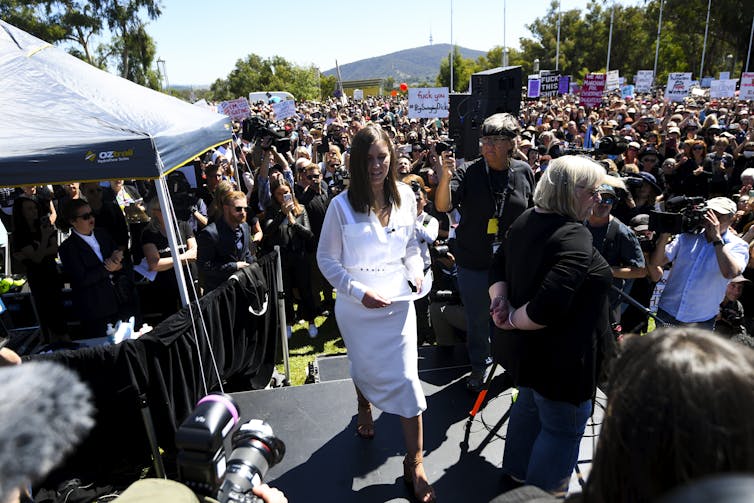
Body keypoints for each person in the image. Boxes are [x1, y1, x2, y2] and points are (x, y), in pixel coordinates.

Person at [488, 156, 622, 494]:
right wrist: (512, 320)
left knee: (530, 405)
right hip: (565, 362)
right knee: (561, 430)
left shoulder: (526, 219)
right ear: (570, 190)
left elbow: (499, 264)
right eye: (594, 191)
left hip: (529, 356)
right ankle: (539, 497)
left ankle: (517, 473)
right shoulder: (575, 237)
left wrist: (501, 306)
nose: (598, 199)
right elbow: (547, 305)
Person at [317, 124, 435, 502]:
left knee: (406, 378)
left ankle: (414, 462)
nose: (376, 165)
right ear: (354, 161)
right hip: (356, 308)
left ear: (393, 157)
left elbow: (412, 248)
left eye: (382, 157)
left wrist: (416, 272)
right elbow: (327, 259)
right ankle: (363, 405)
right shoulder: (340, 206)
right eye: (367, 159)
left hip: (398, 306)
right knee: (362, 365)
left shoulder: (406, 196)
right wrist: (356, 290)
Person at [434, 112, 535, 392]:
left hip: (512, 262)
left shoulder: (524, 171)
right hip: (474, 262)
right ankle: (480, 367)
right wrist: (446, 176)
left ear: (511, 144)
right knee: (479, 318)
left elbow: (531, 211)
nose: (487, 146)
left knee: (511, 316)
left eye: (495, 140)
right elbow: (443, 206)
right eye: (484, 140)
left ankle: (510, 364)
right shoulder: (470, 172)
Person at [650, 197, 749, 329]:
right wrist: (664, 235)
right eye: (709, 214)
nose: (712, 220)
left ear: (732, 219)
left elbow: (730, 273)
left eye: (719, 217)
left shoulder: (738, 246)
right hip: (668, 310)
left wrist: (717, 239)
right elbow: (657, 261)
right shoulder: (687, 236)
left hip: (700, 319)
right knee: (661, 349)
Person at [57, 199, 137, 339]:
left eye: (92, 214)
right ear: (73, 221)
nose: (91, 219)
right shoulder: (67, 248)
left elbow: (121, 261)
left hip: (121, 301)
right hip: (96, 309)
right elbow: (81, 279)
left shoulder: (102, 234)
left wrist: (119, 264)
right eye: (86, 217)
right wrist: (109, 267)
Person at [261, 179, 317, 338]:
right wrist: (282, 215)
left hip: (300, 256)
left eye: (286, 192)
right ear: (274, 195)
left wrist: (293, 222)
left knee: (305, 290)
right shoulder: (271, 210)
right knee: (284, 292)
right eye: (280, 193)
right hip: (282, 258)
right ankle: (288, 323)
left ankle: (311, 321)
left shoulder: (301, 209)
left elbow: (309, 234)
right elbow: (268, 231)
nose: (284, 196)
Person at [584, 184, 646, 323]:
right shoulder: (579, 223)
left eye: (609, 201)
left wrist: (606, 271)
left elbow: (639, 271)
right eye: (600, 199)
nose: (604, 204)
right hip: (576, 296)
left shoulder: (622, 232)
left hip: (606, 304)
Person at [10, 197, 67, 342]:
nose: (34, 211)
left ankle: (63, 338)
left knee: (58, 311)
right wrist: (44, 240)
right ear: (21, 212)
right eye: (29, 209)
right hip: (37, 278)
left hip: (52, 273)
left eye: (34, 208)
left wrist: (34, 252)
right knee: (45, 311)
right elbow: (37, 258)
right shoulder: (20, 234)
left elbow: (54, 249)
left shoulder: (44, 224)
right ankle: (50, 341)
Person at [141, 198, 198, 318]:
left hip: (189, 282)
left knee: (194, 316)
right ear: (154, 212)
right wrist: (183, 257)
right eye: (164, 209)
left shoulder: (183, 225)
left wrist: (168, 261)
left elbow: (194, 254)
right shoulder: (149, 233)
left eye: (171, 207)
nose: (170, 211)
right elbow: (155, 265)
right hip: (166, 288)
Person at [196, 191, 255, 293]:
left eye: (246, 209)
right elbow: (204, 267)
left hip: (242, 287)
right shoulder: (210, 233)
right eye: (238, 209)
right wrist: (234, 266)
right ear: (226, 208)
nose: (243, 212)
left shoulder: (245, 227)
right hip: (220, 292)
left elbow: (246, 253)